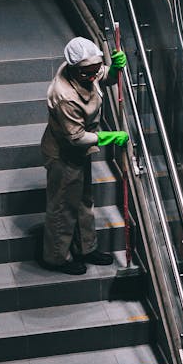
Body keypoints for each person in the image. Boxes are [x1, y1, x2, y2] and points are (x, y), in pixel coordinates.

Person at [39, 35, 129, 274]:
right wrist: (109, 137)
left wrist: (114, 71)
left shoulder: (87, 68)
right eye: (87, 73)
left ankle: (86, 247)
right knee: (63, 206)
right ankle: (56, 257)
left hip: (79, 152)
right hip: (64, 154)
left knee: (82, 201)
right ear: (74, 69)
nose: (92, 76)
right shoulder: (64, 95)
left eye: (96, 70)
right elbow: (76, 137)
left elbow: (102, 77)